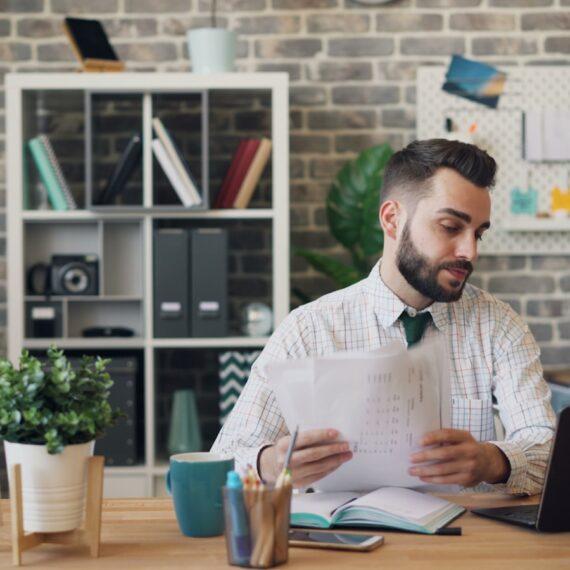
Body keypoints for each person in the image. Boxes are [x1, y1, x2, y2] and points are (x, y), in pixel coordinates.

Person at [211, 139, 556, 495]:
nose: (470, 251)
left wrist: (492, 461)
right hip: (344, 544)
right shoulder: (309, 328)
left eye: (479, 233)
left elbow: (548, 451)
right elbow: (224, 458)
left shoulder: (499, 327)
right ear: (392, 219)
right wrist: (270, 464)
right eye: (451, 227)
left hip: (467, 545)